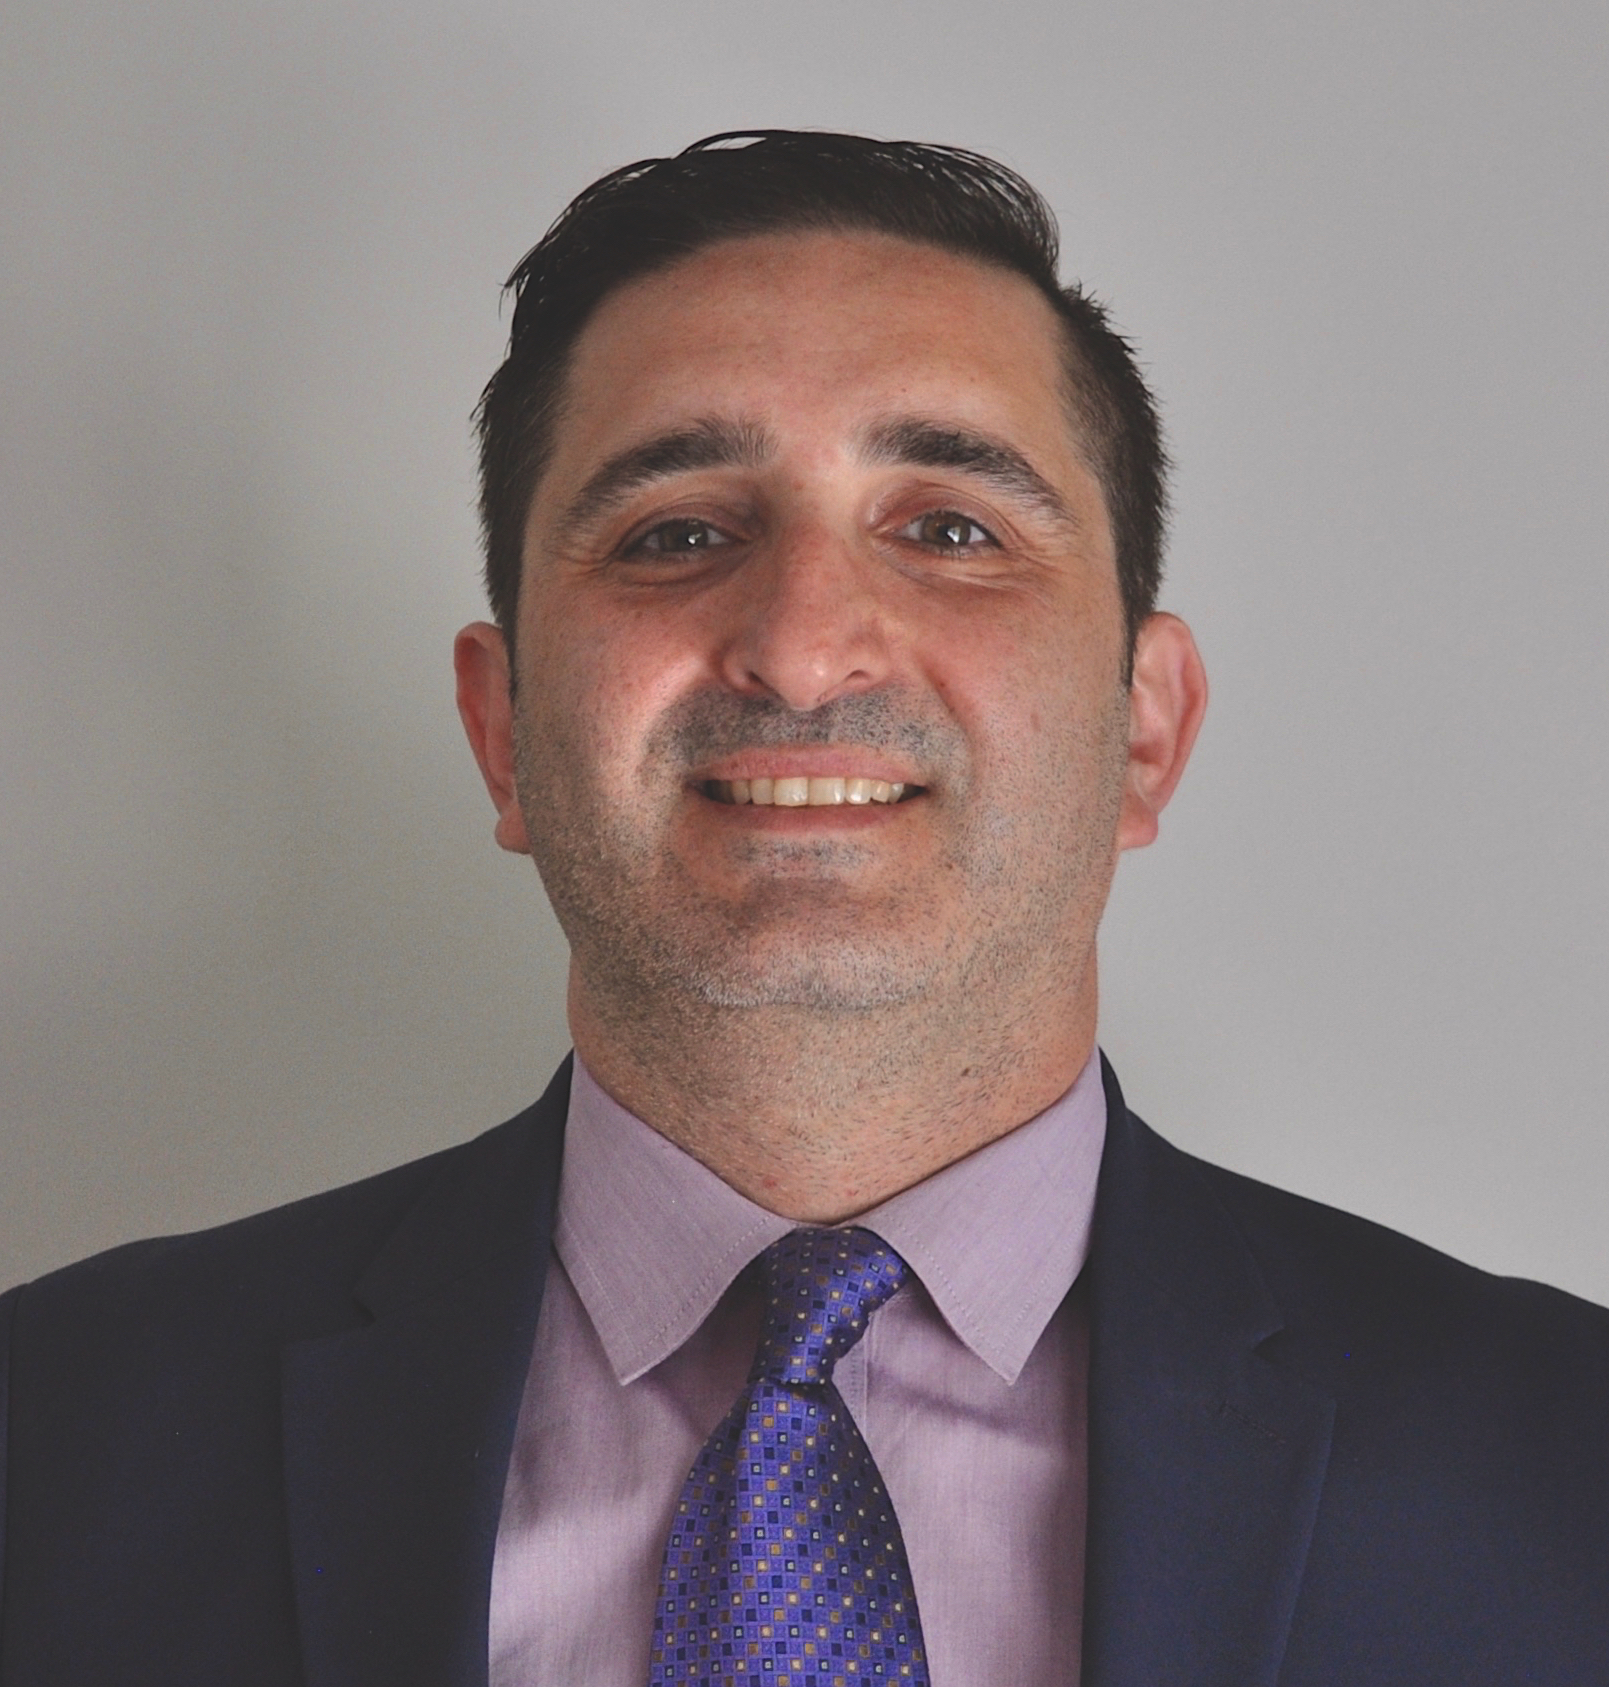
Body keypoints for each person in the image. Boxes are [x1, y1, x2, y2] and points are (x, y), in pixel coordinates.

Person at [0, 131, 1603, 1686]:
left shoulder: (1564, 1465)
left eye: (951, 529)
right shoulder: (49, 1437)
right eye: (677, 532)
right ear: (502, 732)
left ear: (1143, 726)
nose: (802, 645)